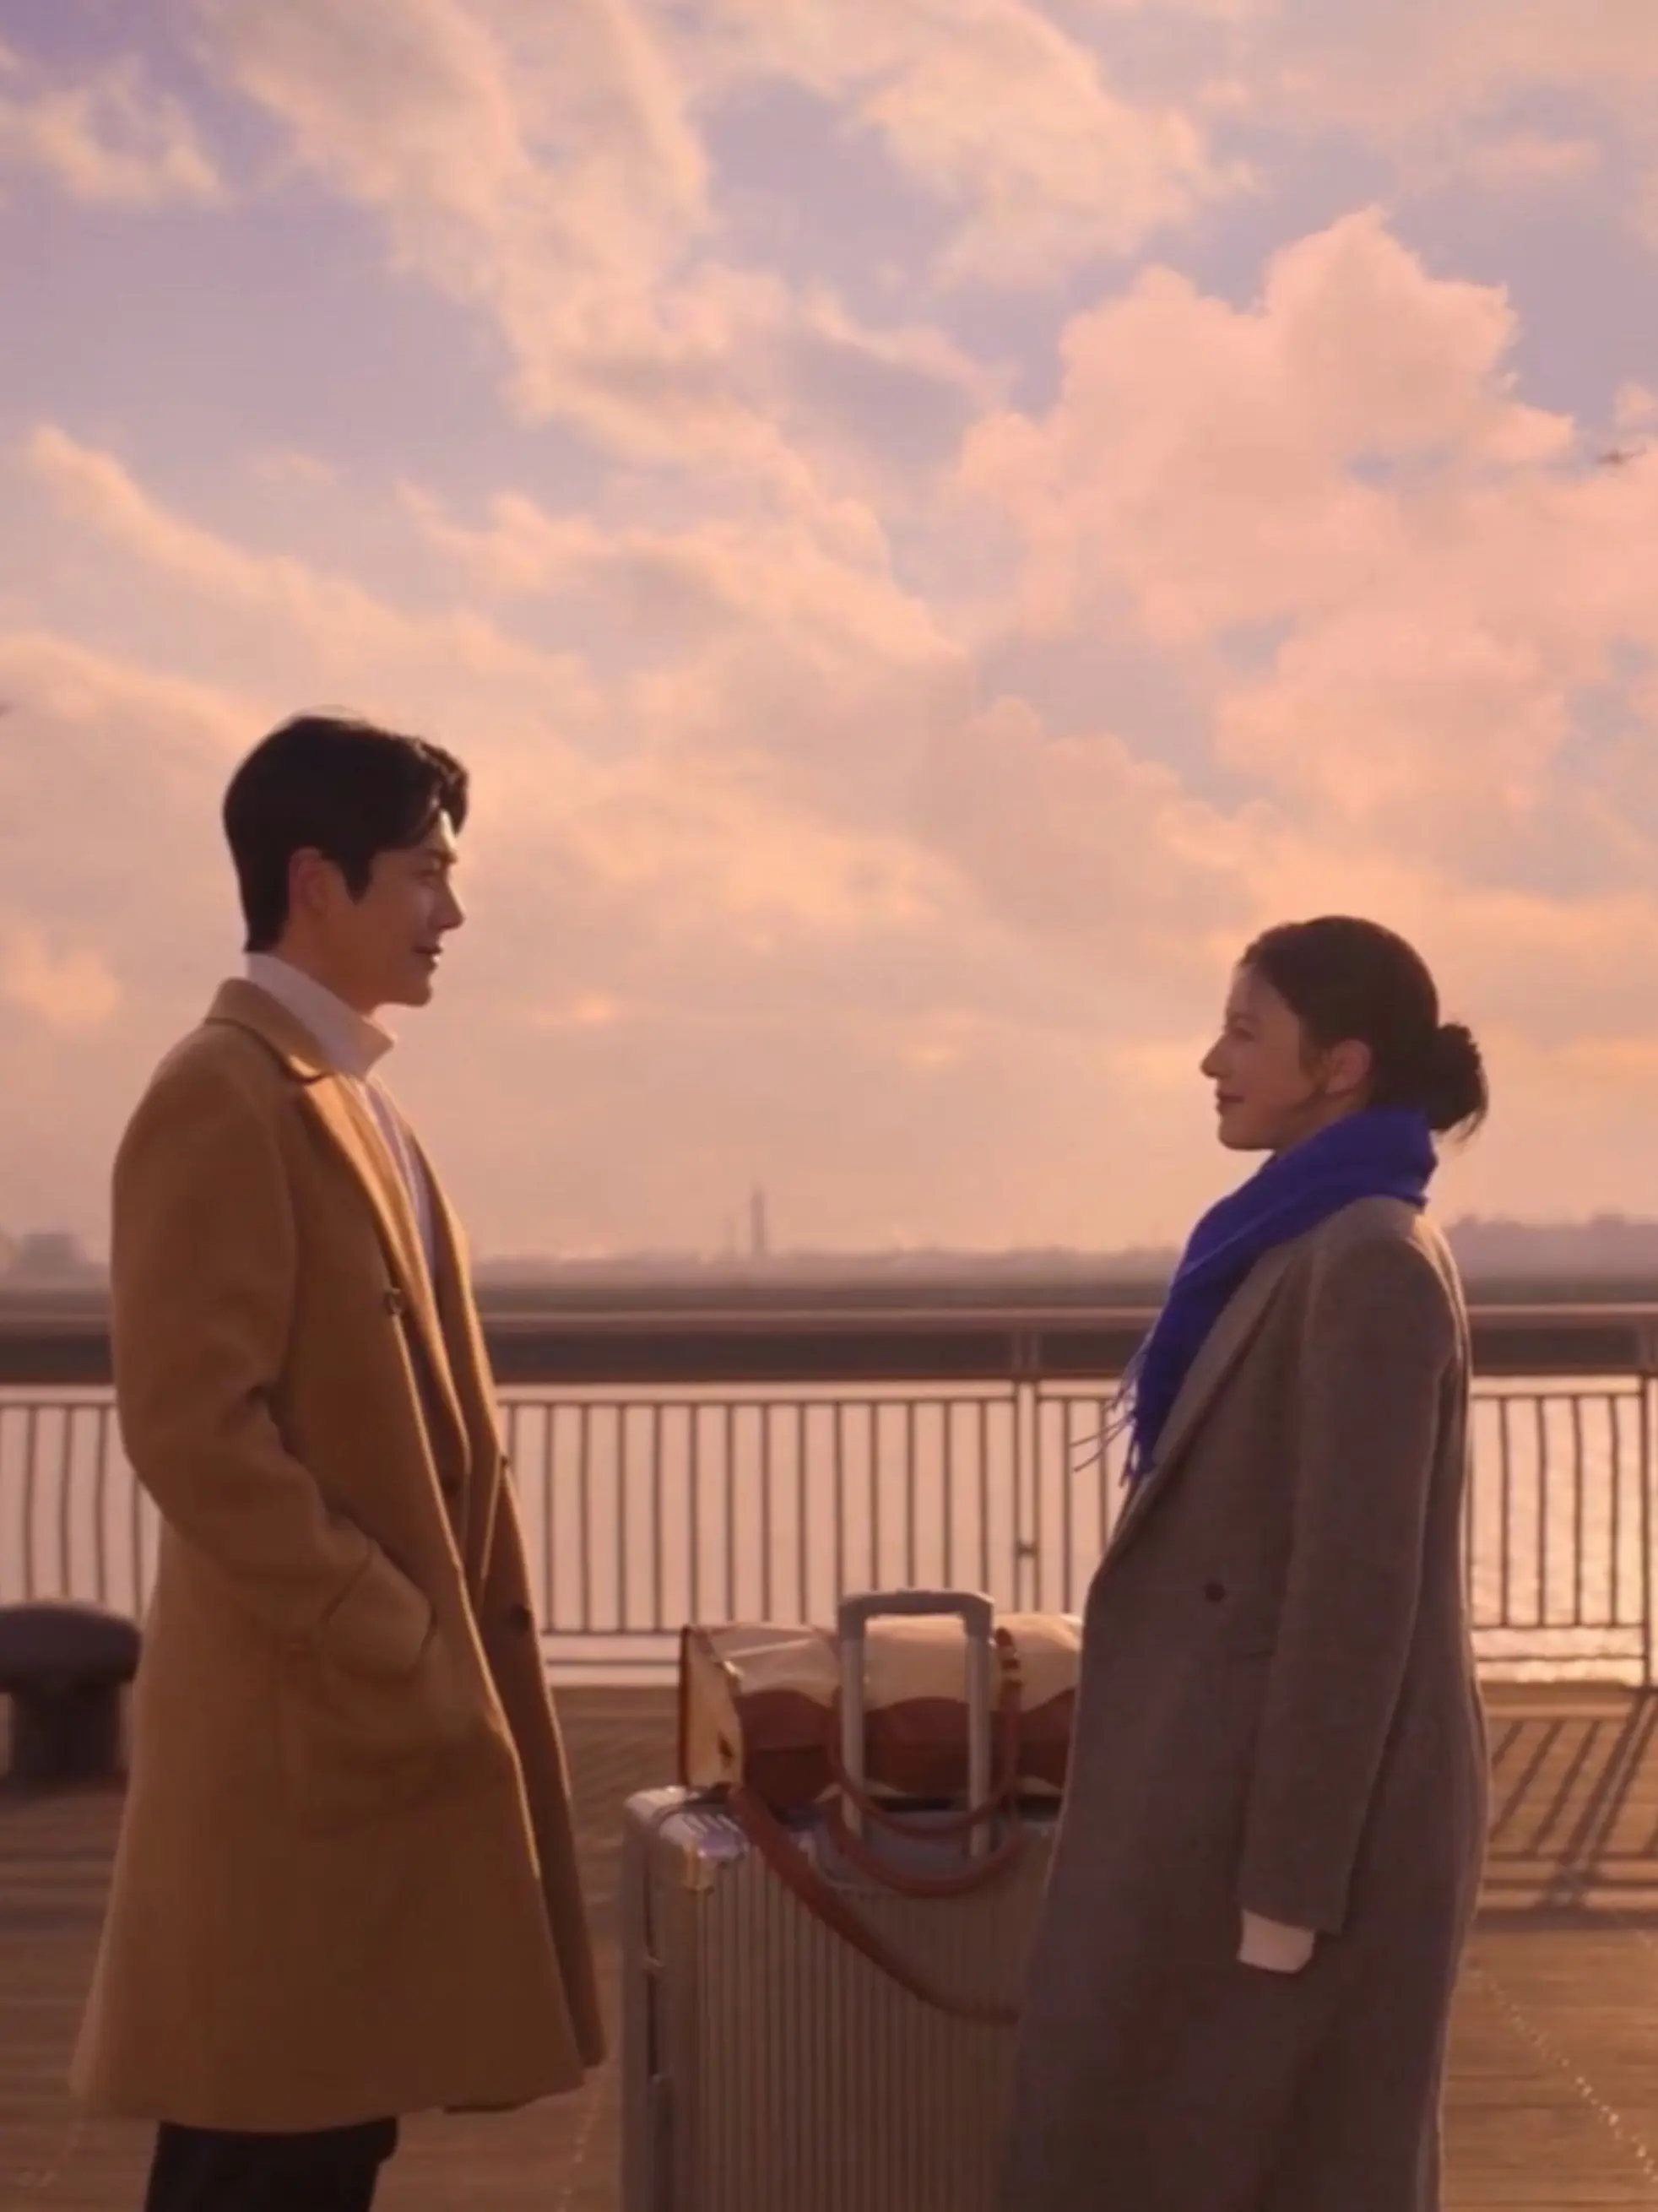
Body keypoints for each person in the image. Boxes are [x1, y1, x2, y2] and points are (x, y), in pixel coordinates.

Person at [71, 714, 605, 2211]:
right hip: (300, 1737)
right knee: (265, 2142)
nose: (451, 912)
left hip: (348, 1731)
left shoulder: (342, 1092)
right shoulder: (224, 1089)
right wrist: (390, 1633)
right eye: (425, 873)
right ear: (317, 881)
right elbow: (193, 1425)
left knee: (310, 2132)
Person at [1003, 915, 1491, 2212]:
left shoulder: (1368, 1260)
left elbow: (1354, 1602)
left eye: (1243, 1032)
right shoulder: (1298, 1238)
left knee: (1269, 2160)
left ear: (1341, 1065)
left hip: (1292, 1849)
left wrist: (1288, 1893)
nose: (1210, 1062)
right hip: (1222, 1808)